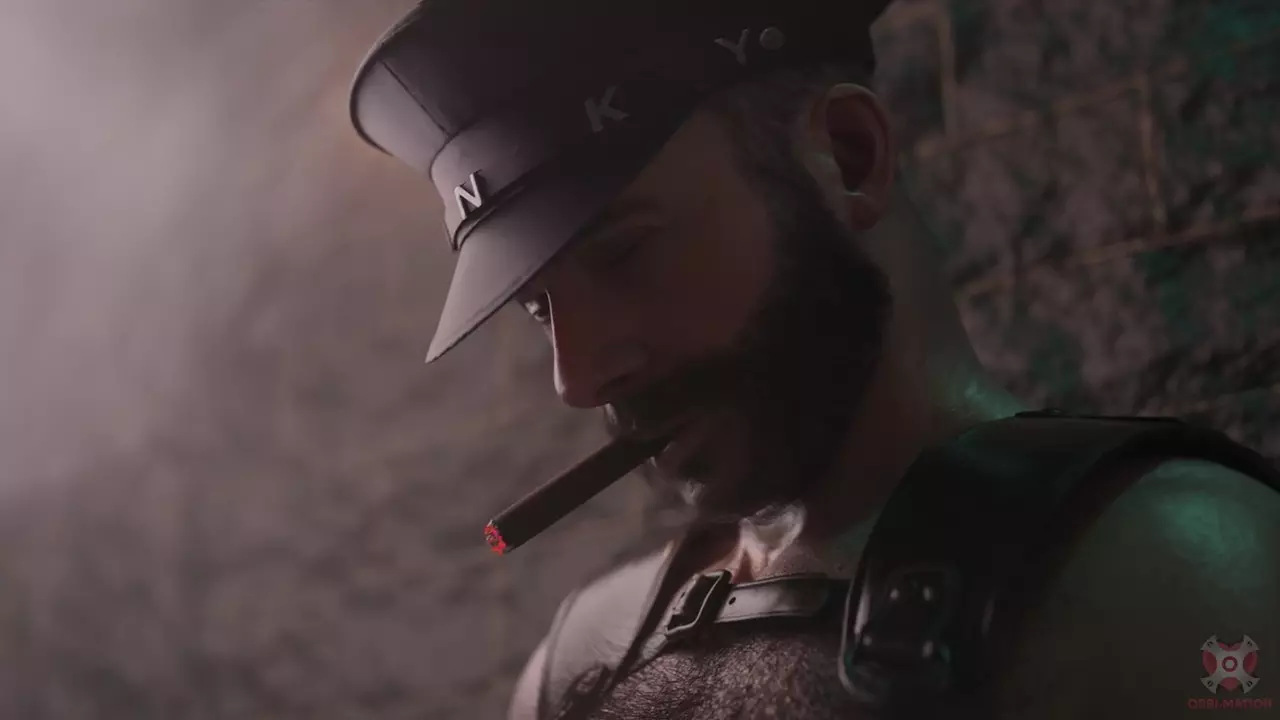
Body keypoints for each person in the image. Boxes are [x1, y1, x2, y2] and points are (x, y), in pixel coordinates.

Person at [347, 0, 1280, 717]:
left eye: (624, 255)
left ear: (849, 154)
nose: (577, 377)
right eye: (538, 307)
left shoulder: (1169, 575)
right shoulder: (580, 663)